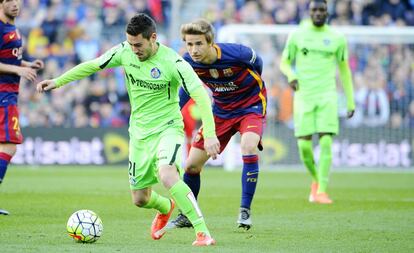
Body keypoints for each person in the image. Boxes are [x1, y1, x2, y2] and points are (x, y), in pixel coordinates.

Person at [36, 13, 219, 246]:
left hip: (168, 129)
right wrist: (57, 81)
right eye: (130, 44)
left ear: (153, 38)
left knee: (167, 174)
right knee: (140, 199)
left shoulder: (174, 63)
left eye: (138, 45)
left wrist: (210, 133)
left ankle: (202, 233)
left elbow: (201, 95)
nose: (133, 50)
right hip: (139, 134)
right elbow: (93, 65)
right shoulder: (123, 51)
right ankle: (166, 206)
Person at [169, 19, 267, 230]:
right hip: (221, 111)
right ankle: (187, 215)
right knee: (192, 165)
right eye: (189, 44)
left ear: (210, 42)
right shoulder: (188, 62)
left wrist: (250, 87)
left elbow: (258, 63)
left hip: (251, 105)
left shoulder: (237, 53)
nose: (194, 50)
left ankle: (244, 210)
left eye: (198, 44)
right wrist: (174, 111)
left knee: (249, 145)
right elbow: (188, 87)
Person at [279, 0, 355, 204]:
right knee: (304, 147)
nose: (318, 13)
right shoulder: (297, 35)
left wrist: (350, 101)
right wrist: (291, 76)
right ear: (309, 12)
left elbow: (345, 70)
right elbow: (284, 62)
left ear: (327, 13)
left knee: (326, 141)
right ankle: (316, 180)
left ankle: (321, 190)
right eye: (315, 10)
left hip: (327, 95)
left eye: (322, 10)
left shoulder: (337, 38)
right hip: (304, 95)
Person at [0, 0, 44, 215]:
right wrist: (18, 71)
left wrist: (27, 64)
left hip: (8, 94)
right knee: (9, 146)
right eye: (10, 1)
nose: (15, 4)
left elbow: (10, 58)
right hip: (3, 95)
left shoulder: (12, 26)